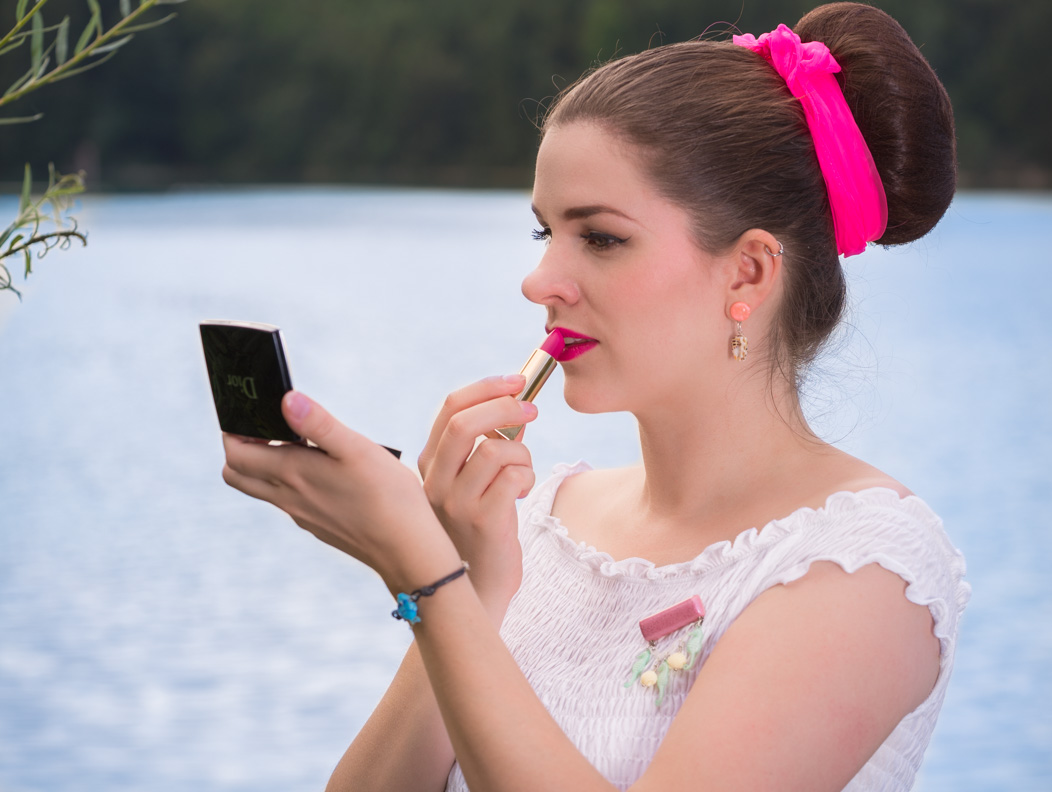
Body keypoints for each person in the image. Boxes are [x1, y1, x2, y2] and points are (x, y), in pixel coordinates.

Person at [221, 4, 970, 790]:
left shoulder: (865, 569)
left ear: (748, 273)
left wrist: (427, 580)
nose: (539, 282)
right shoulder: (536, 523)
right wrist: (472, 584)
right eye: (546, 233)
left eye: (602, 238)